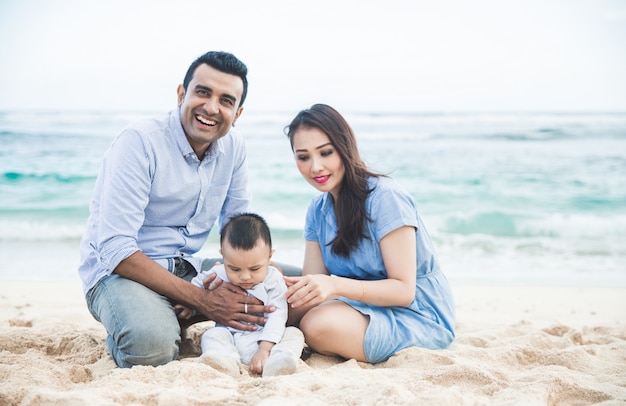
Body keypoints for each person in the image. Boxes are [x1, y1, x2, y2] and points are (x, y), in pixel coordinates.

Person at [78, 51, 300, 368]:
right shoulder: (139, 142)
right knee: (151, 348)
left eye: (226, 100)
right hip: (119, 274)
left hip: (190, 268)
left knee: (295, 288)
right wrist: (202, 300)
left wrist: (239, 280)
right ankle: (152, 319)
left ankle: (174, 313)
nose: (211, 107)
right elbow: (116, 250)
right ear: (182, 93)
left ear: (237, 113)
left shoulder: (234, 147)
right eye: (202, 92)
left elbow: (237, 228)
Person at [283, 104, 456, 364]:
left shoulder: (386, 198)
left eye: (326, 153)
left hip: (415, 313)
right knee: (274, 299)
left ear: (344, 147)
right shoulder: (317, 209)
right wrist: (265, 278)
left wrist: (335, 285)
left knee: (317, 325)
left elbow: (403, 290)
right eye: (303, 157)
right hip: (357, 304)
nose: (315, 167)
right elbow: (314, 281)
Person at [176, 213, 304, 377]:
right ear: (222, 255)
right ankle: (224, 362)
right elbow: (198, 284)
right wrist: (190, 304)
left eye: (254, 269)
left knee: (293, 333)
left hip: (265, 339)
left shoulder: (273, 279)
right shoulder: (219, 272)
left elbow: (277, 315)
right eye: (234, 269)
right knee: (211, 334)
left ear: (269, 257)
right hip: (231, 337)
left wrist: (264, 349)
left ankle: (278, 362)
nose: (244, 277)